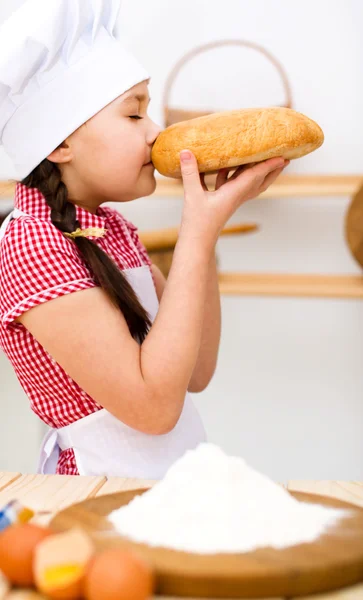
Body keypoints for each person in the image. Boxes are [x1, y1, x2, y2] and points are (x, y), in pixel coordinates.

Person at [0, 0, 289, 478]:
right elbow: (153, 410)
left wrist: (206, 228)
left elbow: (196, 372)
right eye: (134, 116)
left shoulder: (112, 230)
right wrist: (195, 236)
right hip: (98, 496)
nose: (157, 132)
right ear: (59, 143)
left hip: (173, 481)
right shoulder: (31, 243)